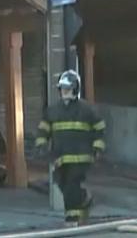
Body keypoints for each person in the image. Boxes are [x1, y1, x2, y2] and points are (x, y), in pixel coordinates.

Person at [36, 70, 106, 226]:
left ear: (75, 89)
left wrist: (97, 148)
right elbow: (43, 129)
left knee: (71, 187)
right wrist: (41, 144)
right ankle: (84, 202)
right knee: (63, 185)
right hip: (60, 157)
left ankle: (71, 220)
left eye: (67, 88)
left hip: (81, 157)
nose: (64, 91)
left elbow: (99, 128)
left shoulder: (87, 109)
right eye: (62, 88)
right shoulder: (53, 110)